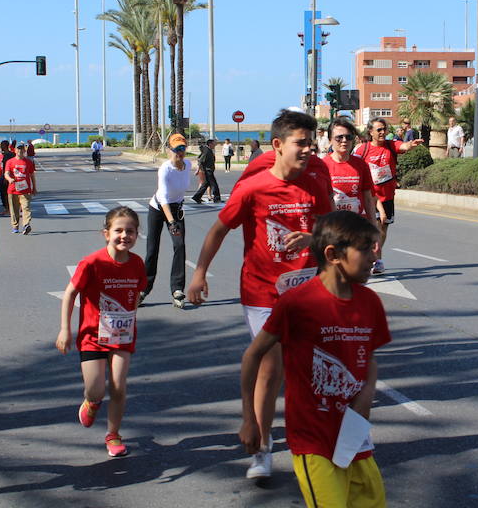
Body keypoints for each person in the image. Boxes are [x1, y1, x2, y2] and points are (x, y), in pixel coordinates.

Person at [187, 109, 332, 480]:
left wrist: (313, 238)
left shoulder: (314, 180)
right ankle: (262, 446)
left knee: (309, 369)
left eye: (312, 143)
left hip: (306, 289)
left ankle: (317, 441)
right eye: (301, 143)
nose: (308, 150)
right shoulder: (253, 187)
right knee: (271, 366)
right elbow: (218, 230)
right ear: (278, 145)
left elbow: (332, 230)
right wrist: (199, 273)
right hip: (261, 291)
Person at [240, 210, 390, 508]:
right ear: (333, 254)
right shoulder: (297, 303)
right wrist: (250, 420)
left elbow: (369, 358)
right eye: (364, 248)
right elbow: (253, 355)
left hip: (355, 436)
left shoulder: (370, 301)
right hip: (313, 440)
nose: (374, 256)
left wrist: (365, 396)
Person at [55, 206, 146, 458]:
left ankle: (113, 434)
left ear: (137, 234)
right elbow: (70, 294)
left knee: (118, 386)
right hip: (92, 338)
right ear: (106, 233)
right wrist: (65, 329)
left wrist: (125, 315)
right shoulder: (92, 262)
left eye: (130, 231)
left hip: (123, 337)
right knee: (96, 389)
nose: (124, 236)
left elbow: (136, 293)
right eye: (118, 230)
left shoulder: (137, 264)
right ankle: (92, 401)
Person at [353, 117, 423, 274]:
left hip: (387, 196)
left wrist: (410, 145)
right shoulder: (362, 150)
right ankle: (372, 258)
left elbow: (403, 146)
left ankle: (375, 258)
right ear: (370, 132)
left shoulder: (391, 145)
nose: (382, 132)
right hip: (368, 196)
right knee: (373, 226)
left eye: (384, 129)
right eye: (379, 130)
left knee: (383, 228)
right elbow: (354, 167)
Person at [143, 133, 193, 310]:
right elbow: (163, 198)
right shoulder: (165, 169)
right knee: (152, 249)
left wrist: (174, 218)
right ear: (169, 150)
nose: (180, 152)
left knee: (179, 246)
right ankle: (144, 288)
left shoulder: (188, 164)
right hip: (158, 208)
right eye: (176, 149)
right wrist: (171, 223)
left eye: (182, 148)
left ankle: (177, 289)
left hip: (176, 209)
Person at [323, 117, 376, 226]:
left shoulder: (361, 165)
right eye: (339, 138)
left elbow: (368, 199)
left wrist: (374, 227)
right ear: (330, 139)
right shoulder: (322, 166)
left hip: (357, 227)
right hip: (332, 228)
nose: (344, 141)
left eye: (348, 137)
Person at [5, 140, 37, 235]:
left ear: (24, 150)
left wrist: (34, 187)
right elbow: (6, 173)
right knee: (14, 210)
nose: (20, 151)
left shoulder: (28, 162)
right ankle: (15, 226)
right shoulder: (10, 162)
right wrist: (9, 179)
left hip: (25, 190)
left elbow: (32, 175)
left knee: (26, 208)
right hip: (13, 189)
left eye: (22, 149)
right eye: (18, 149)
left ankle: (26, 225)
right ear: (15, 150)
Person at [192, 139, 221, 204]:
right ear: (210, 144)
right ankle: (217, 198)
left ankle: (197, 197)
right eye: (213, 144)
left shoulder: (208, 150)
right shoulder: (207, 151)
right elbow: (201, 160)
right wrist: (198, 169)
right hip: (208, 170)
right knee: (214, 184)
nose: (215, 145)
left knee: (205, 185)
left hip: (209, 170)